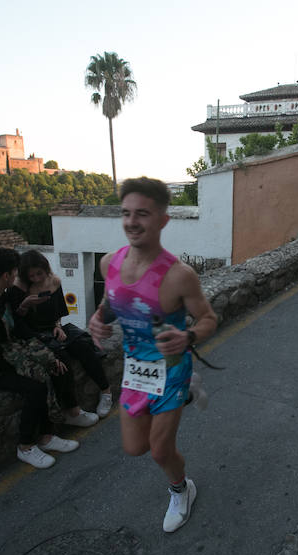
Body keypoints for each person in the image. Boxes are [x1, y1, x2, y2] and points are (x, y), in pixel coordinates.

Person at [88, 177, 218, 533]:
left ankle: (181, 490)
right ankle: (191, 390)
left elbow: (208, 318)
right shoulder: (108, 264)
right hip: (135, 369)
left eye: (142, 214)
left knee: (161, 452)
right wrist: (99, 319)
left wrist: (188, 335)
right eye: (127, 213)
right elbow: (111, 304)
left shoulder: (179, 276)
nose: (132, 222)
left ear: (163, 219)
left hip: (172, 365)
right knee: (134, 448)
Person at [0, 247, 87, 469]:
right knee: (34, 387)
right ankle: (26, 445)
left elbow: (16, 330)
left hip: (4, 352)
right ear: (7, 275)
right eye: (15, 271)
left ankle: (46, 436)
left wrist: (44, 356)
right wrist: (32, 362)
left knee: (49, 368)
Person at [8, 250, 114, 419]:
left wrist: (57, 326)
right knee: (61, 360)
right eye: (32, 276)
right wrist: (26, 304)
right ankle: (73, 410)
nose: (36, 278)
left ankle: (106, 391)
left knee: (84, 347)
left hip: (53, 329)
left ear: (46, 269)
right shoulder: (19, 289)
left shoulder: (54, 282)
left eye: (39, 274)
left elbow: (58, 311)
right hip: (34, 335)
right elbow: (17, 322)